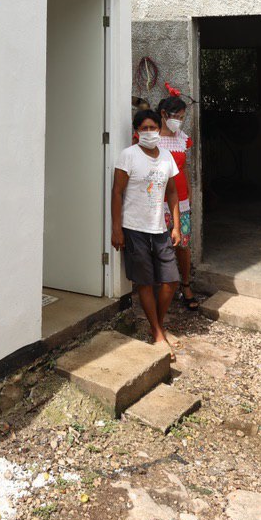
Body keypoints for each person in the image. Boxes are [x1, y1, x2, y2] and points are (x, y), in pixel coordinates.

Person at [112, 107, 181, 359]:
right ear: (136, 132)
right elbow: (117, 192)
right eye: (145, 129)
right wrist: (117, 228)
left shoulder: (166, 157)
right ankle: (157, 332)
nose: (150, 132)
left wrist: (176, 225)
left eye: (154, 128)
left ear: (159, 130)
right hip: (134, 228)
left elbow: (172, 192)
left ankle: (158, 325)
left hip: (159, 228)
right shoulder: (128, 156)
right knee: (144, 281)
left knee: (171, 280)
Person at [158, 94, 198, 309]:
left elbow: (184, 169)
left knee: (183, 245)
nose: (179, 121)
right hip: (157, 201)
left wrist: (189, 197)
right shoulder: (148, 136)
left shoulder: (183, 138)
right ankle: (163, 286)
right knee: (160, 245)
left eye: (183, 117)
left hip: (181, 201)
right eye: (177, 116)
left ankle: (185, 284)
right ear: (164, 115)